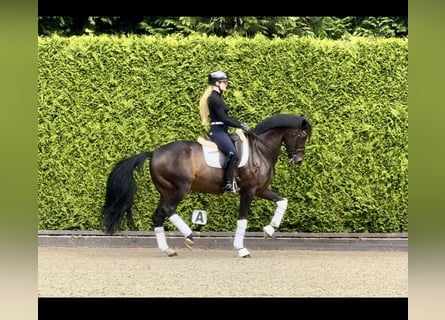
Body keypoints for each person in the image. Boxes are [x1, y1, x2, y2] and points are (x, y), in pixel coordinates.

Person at [199, 70, 252, 193]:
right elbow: (223, 119)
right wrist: (241, 125)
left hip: (223, 130)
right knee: (232, 153)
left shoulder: (218, 97)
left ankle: (236, 177)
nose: (226, 84)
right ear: (217, 83)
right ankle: (227, 182)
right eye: (224, 82)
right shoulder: (214, 98)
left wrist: (240, 125)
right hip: (217, 131)